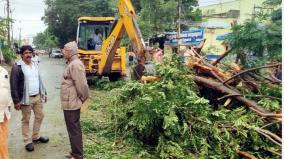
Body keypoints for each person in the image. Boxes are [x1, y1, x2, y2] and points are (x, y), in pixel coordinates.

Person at [10, 45, 49, 152]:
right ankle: (27, 141)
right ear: (21, 55)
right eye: (26, 53)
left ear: (32, 53)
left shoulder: (35, 64)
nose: (28, 55)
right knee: (26, 120)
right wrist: (16, 101)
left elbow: (39, 79)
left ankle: (35, 137)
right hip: (25, 99)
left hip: (37, 96)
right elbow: (13, 85)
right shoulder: (17, 67)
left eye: (30, 52)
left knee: (40, 116)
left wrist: (43, 93)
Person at [61, 41, 89, 159]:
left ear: (70, 52)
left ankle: (78, 155)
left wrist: (83, 98)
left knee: (74, 130)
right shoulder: (72, 63)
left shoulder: (76, 64)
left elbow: (82, 85)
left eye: (65, 50)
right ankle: (74, 152)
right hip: (69, 103)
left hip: (72, 103)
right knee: (72, 129)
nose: (63, 52)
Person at [0, 66, 12, 159]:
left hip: (4, 111)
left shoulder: (3, 70)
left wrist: (9, 104)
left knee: (4, 137)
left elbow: (7, 88)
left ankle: (5, 156)